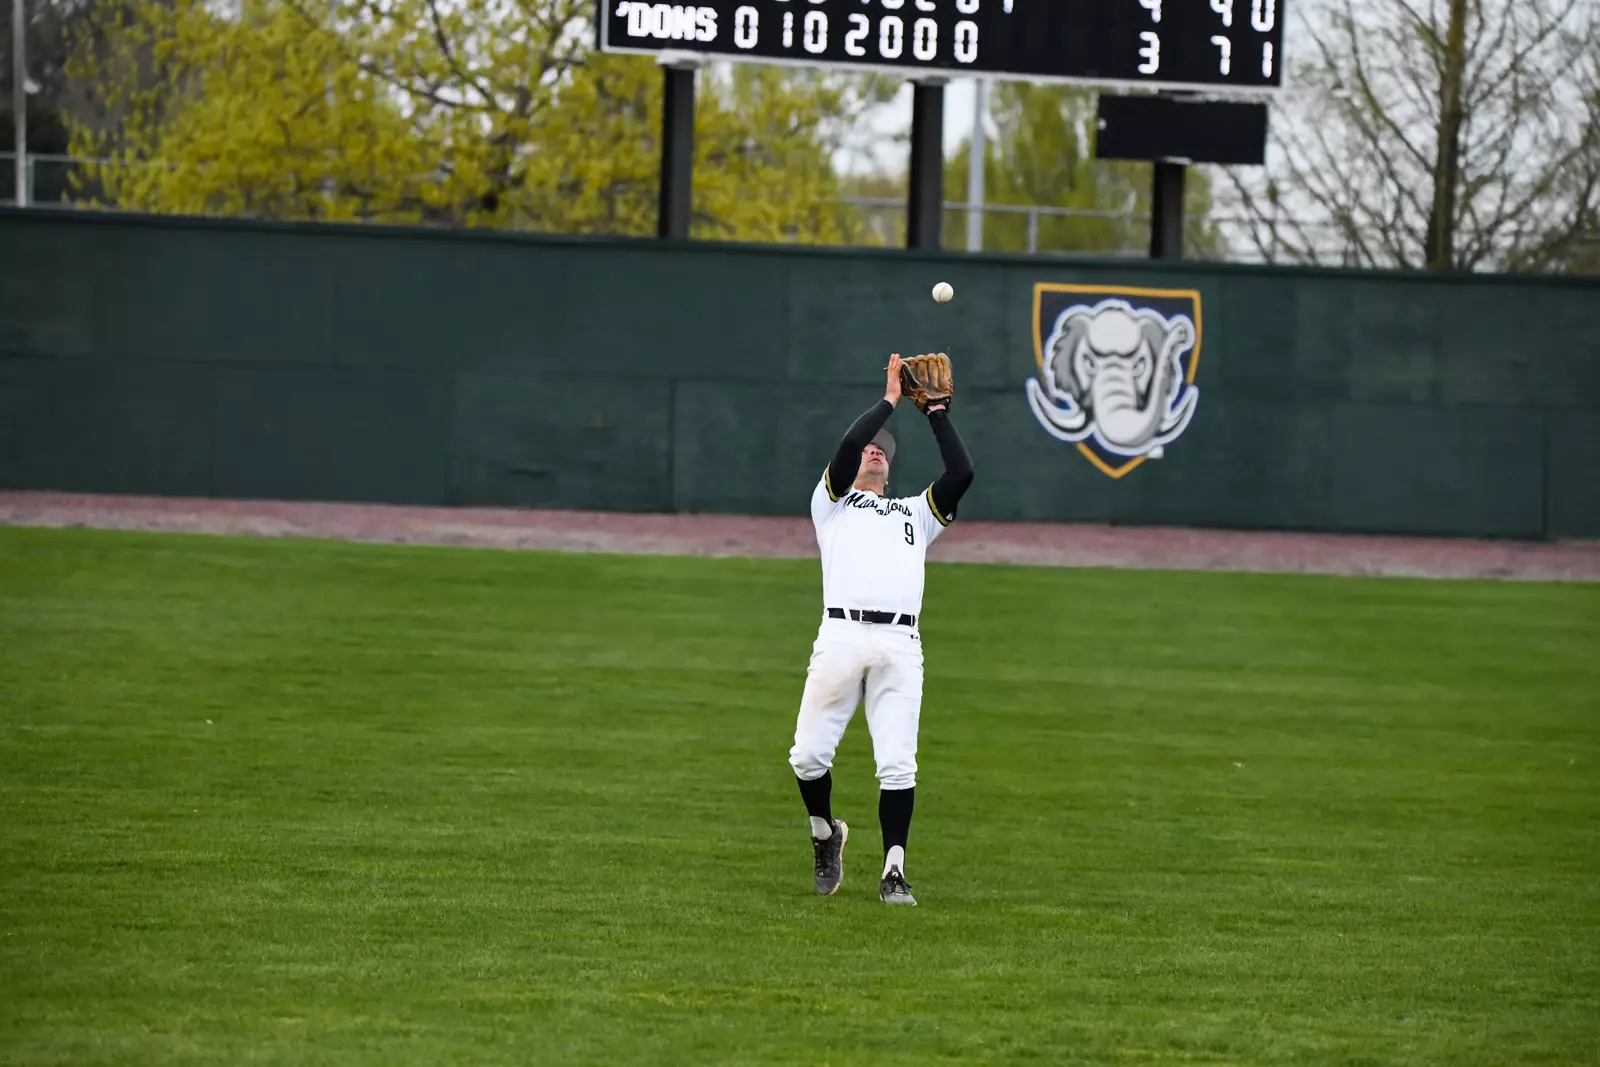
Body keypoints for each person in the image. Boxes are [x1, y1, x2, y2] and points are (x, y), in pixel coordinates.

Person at [787, 353, 975, 906]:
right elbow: (848, 448)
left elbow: (961, 474)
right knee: (806, 757)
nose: (874, 452)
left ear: (890, 473)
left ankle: (894, 870)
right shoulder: (832, 505)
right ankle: (826, 833)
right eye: (873, 449)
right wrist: (891, 399)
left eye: (883, 453)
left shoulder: (916, 514)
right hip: (840, 638)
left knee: (897, 762)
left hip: (899, 643)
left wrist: (936, 412)